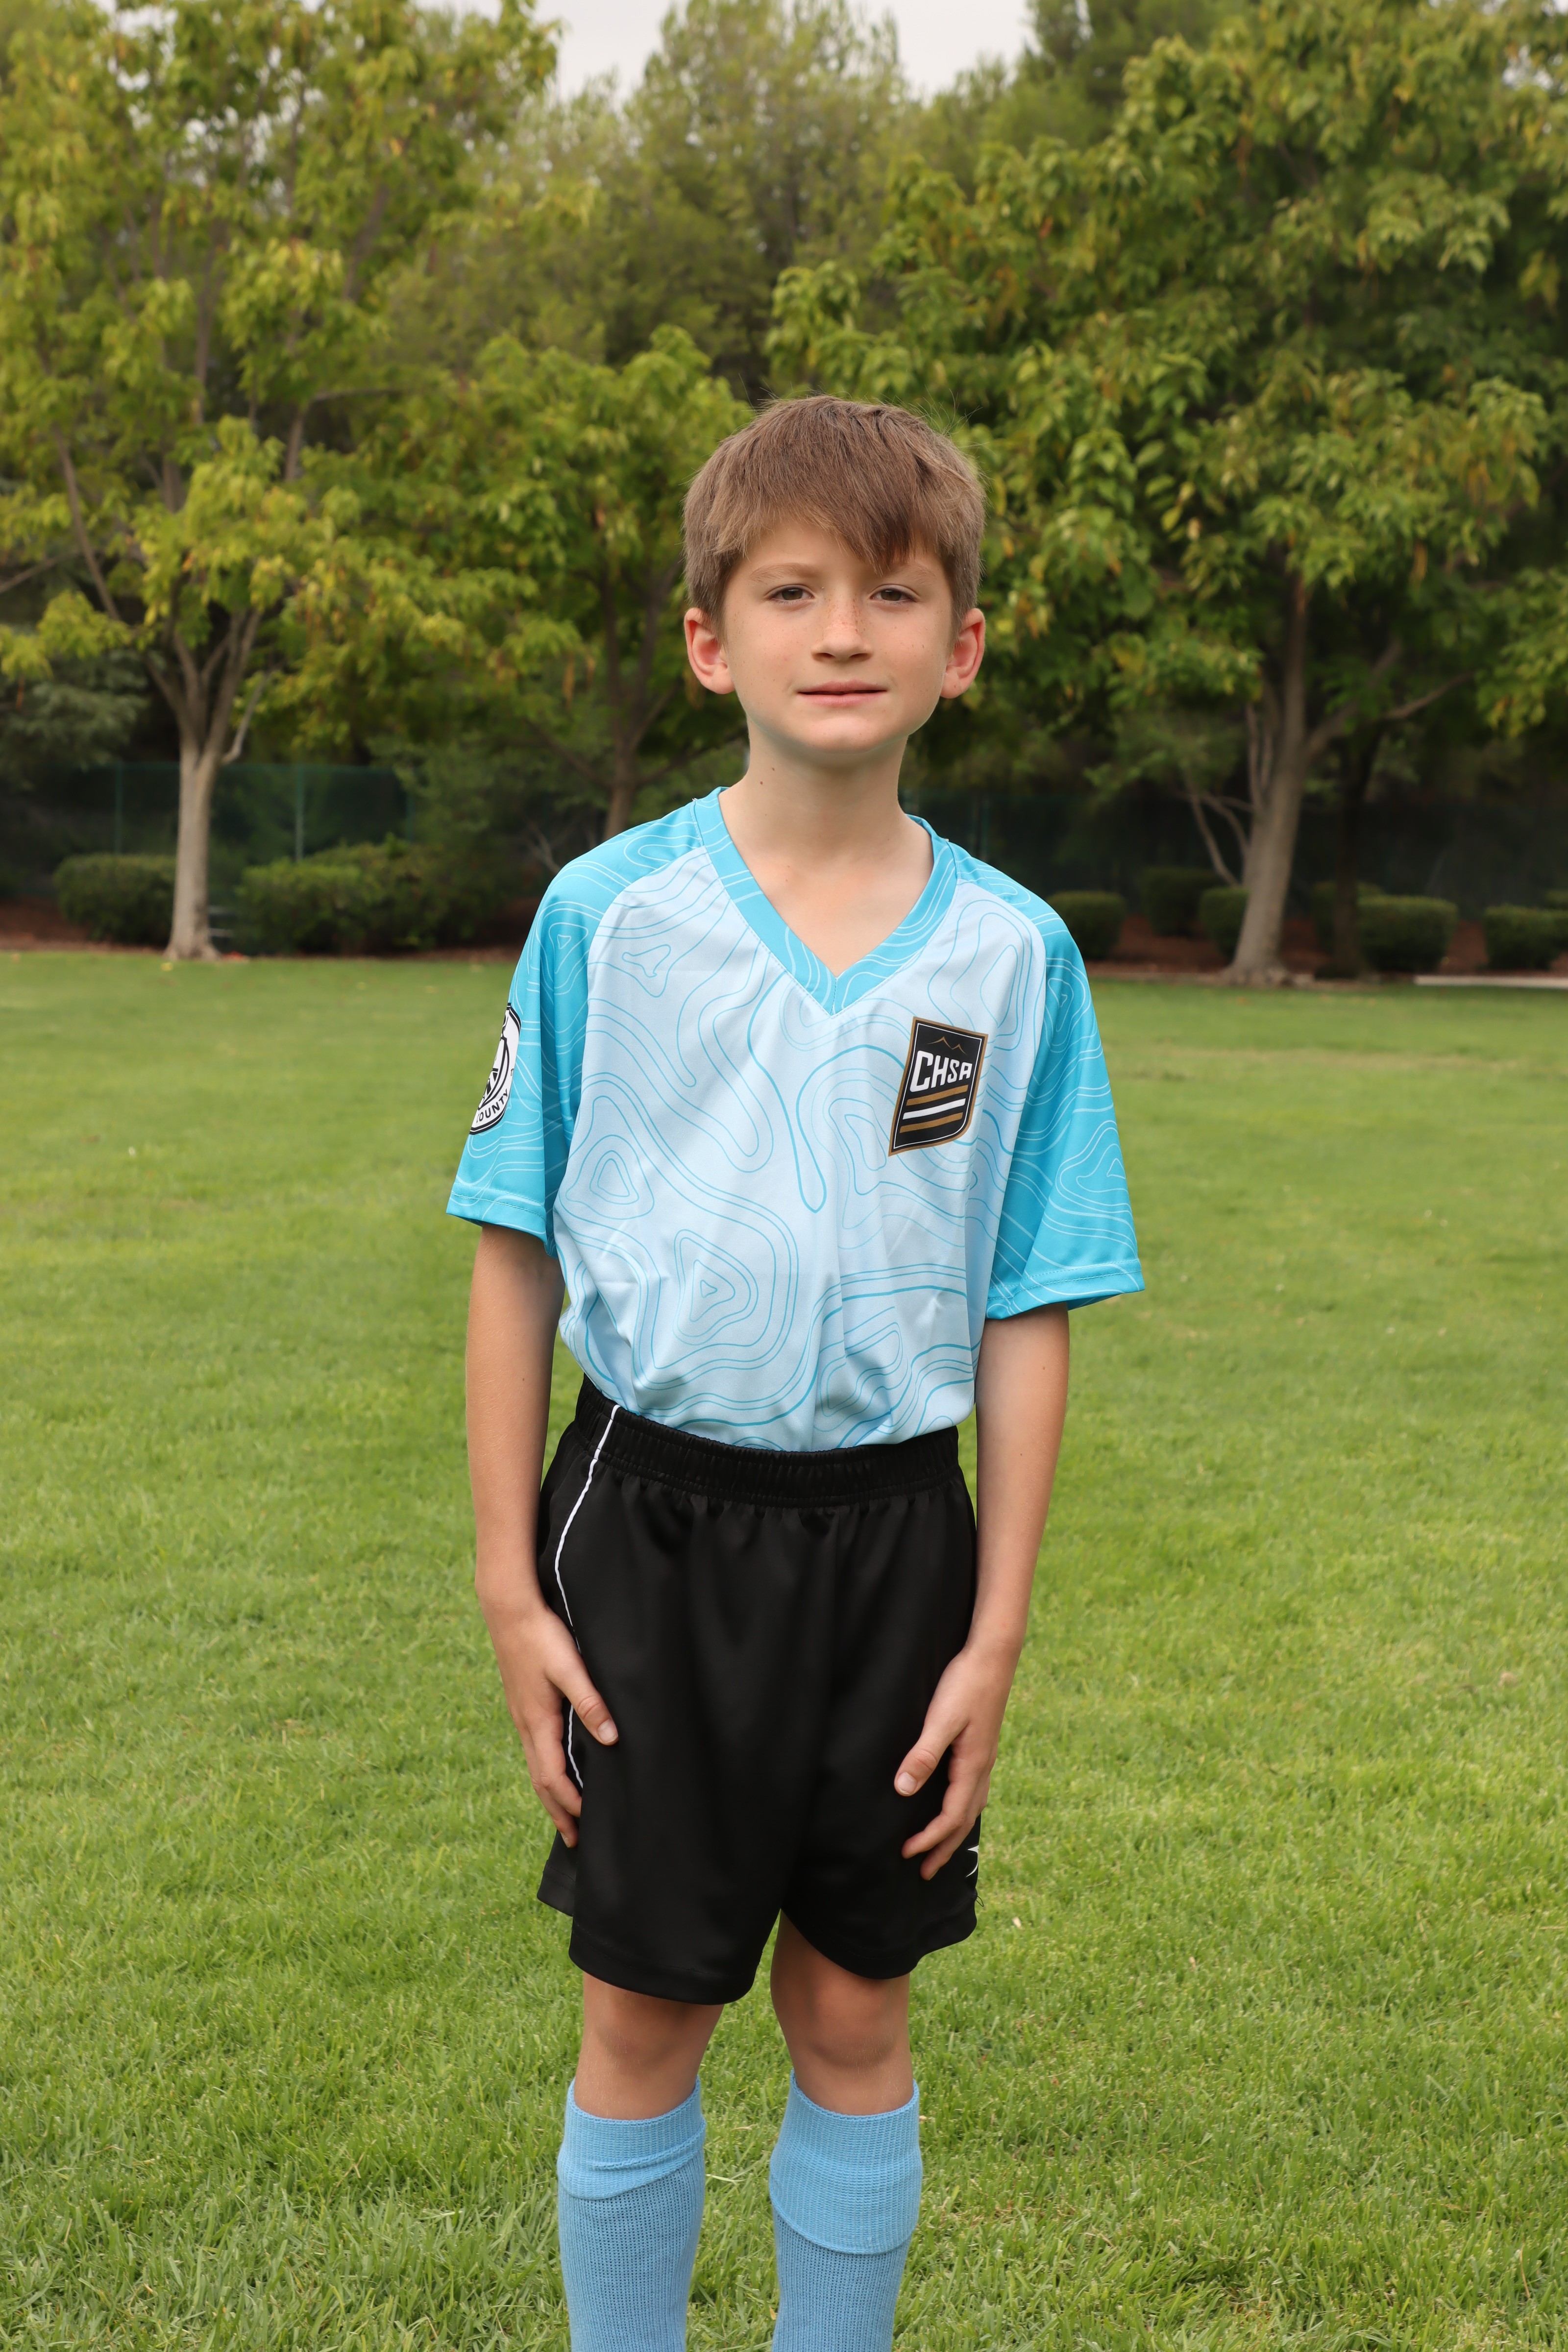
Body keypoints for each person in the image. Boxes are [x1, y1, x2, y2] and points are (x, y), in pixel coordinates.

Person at [449, 395, 1143, 2352]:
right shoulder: (610, 917)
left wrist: (995, 1633)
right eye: (790, 592)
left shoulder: (1011, 956)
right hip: (648, 1523)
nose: (842, 631)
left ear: (961, 646)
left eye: (893, 594)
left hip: (894, 1539)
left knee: (853, 2006)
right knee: (642, 2011)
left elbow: (1026, 1304)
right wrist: (510, 1587)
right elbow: (513, 1252)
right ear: (709, 640)